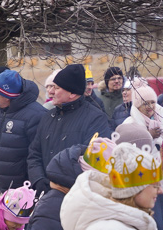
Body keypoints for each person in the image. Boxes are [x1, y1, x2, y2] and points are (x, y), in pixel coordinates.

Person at [27, 64, 112, 196]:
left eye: (57, 88)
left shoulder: (95, 118)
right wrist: (39, 181)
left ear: (72, 93)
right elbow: (34, 154)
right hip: (44, 196)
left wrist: (60, 187)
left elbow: (93, 161)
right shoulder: (48, 117)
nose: (51, 92)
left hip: (76, 197)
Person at [0, 70, 45, 193]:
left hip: (22, 191)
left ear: (7, 96)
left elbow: (36, 155)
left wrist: (31, 188)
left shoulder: (36, 115)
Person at [123, 85, 163, 149]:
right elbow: (126, 147)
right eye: (145, 104)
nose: (150, 106)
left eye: (152, 102)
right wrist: (147, 136)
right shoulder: (130, 123)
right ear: (138, 106)